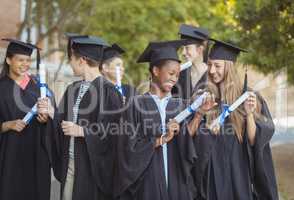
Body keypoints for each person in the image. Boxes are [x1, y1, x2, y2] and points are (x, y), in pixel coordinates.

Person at [114, 40, 216, 200]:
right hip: (147, 185)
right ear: (155, 70)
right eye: (170, 73)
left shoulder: (180, 105)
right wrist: (161, 139)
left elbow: (187, 141)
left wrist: (198, 115)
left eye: (177, 74)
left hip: (177, 183)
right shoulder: (135, 105)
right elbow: (127, 150)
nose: (174, 79)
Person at [193, 39, 279, 200]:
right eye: (209, 65)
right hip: (211, 177)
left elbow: (255, 142)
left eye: (217, 65)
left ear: (229, 67)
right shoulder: (204, 97)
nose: (211, 70)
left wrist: (249, 114)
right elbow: (193, 140)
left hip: (238, 174)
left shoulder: (249, 97)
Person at [52, 35, 122, 200]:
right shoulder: (73, 89)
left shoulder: (109, 92)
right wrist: (49, 115)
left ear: (82, 60)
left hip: (92, 169)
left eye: (71, 59)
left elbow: (115, 134)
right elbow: (58, 123)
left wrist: (83, 131)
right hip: (70, 163)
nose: (70, 64)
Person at [0, 38, 55, 200]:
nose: (25, 64)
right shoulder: (1, 87)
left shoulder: (41, 88)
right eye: (20, 60)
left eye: (28, 60)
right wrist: (7, 125)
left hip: (37, 155)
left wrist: (47, 119)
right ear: (9, 60)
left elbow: (55, 117)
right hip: (9, 154)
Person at [172, 24, 211, 99]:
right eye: (182, 48)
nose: (183, 53)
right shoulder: (180, 75)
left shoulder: (212, 75)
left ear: (199, 50)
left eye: (187, 48)